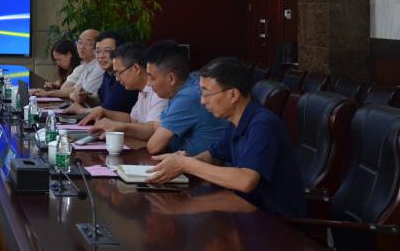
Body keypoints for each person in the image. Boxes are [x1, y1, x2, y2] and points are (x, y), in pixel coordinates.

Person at [148, 57, 306, 217]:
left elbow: (246, 181)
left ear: (233, 94)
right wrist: (185, 160)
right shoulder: (236, 121)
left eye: (207, 93)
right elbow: (214, 156)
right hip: (245, 209)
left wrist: (187, 165)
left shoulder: (263, 124)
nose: (202, 101)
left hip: (275, 222)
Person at [141, 41, 226, 155]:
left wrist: (163, 134)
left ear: (171, 78)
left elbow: (153, 146)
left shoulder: (188, 96)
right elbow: (156, 126)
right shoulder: (181, 89)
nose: (148, 83)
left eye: (152, 78)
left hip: (206, 164)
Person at [82, 42, 169, 142]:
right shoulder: (142, 90)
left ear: (136, 68)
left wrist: (119, 127)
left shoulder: (159, 91)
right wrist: (104, 112)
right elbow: (132, 120)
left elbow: (152, 129)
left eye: (119, 72)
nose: (117, 79)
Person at [66, 31, 138, 115]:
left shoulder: (123, 77)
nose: (101, 56)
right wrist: (86, 98)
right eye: (98, 51)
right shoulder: (107, 74)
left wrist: (81, 110)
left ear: (120, 52)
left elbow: (106, 110)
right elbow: (101, 101)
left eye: (107, 51)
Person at [32, 29, 101, 100]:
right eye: (80, 42)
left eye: (87, 43)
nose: (81, 47)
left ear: (98, 47)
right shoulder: (87, 65)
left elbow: (79, 93)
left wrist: (48, 93)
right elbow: (75, 90)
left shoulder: (99, 66)